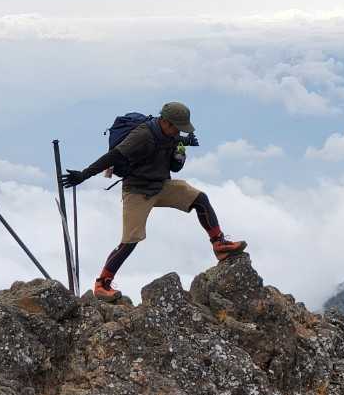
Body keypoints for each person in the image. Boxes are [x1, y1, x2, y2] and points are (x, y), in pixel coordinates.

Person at [61, 101, 247, 301]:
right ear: (165, 122)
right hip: (137, 190)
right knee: (130, 240)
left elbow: (175, 168)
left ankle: (219, 245)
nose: (179, 132)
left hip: (160, 185)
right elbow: (112, 157)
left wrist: (181, 151)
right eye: (177, 127)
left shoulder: (173, 135)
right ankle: (102, 284)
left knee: (200, 199)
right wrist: (84, 175)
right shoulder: (142, 135)